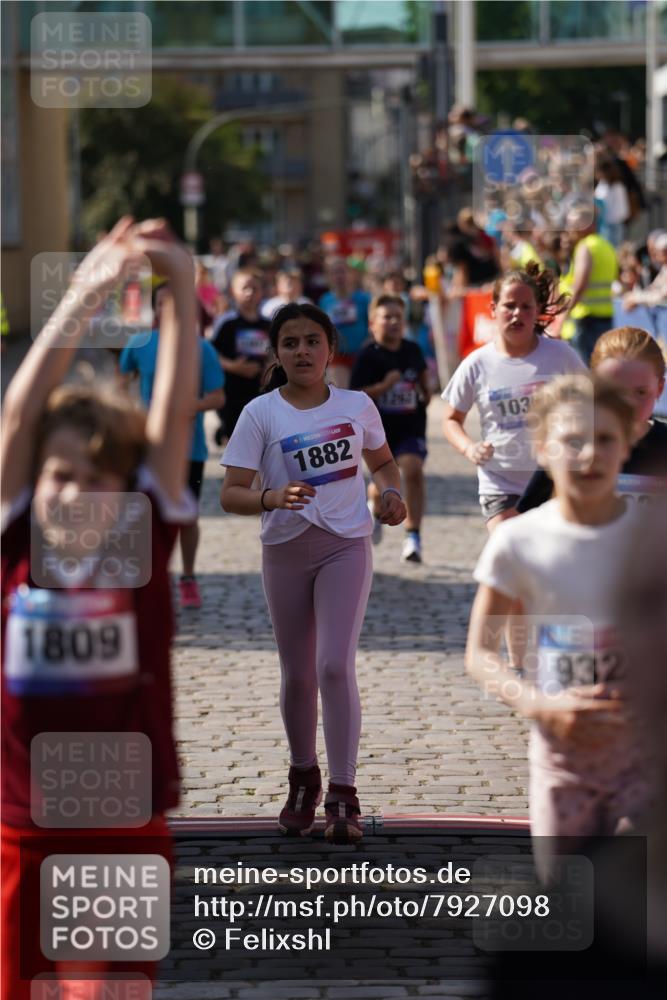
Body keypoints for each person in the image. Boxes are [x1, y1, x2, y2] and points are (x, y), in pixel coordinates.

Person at [1, 218, 198, 996]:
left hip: (120, 822)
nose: (72, 491)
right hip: (20, 822)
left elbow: (174, 413)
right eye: (58, 476)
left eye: (93, 478)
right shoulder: (16, 543)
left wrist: (177, 286)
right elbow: (21, 412)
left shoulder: (137, 545)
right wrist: (86, 292)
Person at [220, 303, 406, 843]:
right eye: (290, 343)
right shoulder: (261, 413)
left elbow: (384, 464)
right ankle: (303, 775)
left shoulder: (356, 405)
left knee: (332, 665)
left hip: (345, 546)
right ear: (277, 353)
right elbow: (230, 493)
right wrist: (272, 496)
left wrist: (391, 492)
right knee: (298, 673)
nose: (302, 351)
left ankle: (343, 794)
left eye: (312, 341)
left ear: (330, 348)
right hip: (284, 551)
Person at [466, 373, 655, 884]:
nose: (589, 454)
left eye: (605, 439)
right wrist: (537, 703)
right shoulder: (518, 541)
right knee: (571, 918)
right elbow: (479, 653)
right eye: (573, 440)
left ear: (630, 442)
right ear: (543, 448)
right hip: (562, 761)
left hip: (646, 762)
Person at [442, 263, 584, 531]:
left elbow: (592, 406)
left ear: (538, 311)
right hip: (500, 482)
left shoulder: (562, 356)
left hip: (555, 478)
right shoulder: (477, 363)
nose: (517, 313)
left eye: (526, 306)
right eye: (509, 306)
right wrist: (469, 448)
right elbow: (451, 419)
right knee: (509, 556)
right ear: (493, 310)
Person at [120, 281, 225, 608]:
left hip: (187, 449)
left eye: (177, 302)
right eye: (163, 303)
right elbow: (120, 384)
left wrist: (185, 407)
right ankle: (150, 579)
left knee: (187, 518)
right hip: (147, 447)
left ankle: (189, 577)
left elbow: (218, 397)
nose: (170, 309)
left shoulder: (202, 348)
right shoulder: (139, 343)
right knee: (143, 516)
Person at [517, 326, 667, 511]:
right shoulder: (570, 443)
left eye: (641, 392)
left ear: (659, 388)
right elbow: (527, 516)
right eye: (616, 392)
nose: (628, 404)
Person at [350, 294, 431, 563]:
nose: (394, 322)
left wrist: (424, 391)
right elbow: (355, 395)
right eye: (387, 317)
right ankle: (375, 507)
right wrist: (384, 386)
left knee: (412, 471)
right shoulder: (367, 356)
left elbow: (423, 379)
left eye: (398, 317)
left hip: (410, 427)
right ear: (373, 322)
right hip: (378, 432)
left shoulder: (412, 350)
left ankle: (413, 537)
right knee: (381, 485)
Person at [211, 269, 271, 445]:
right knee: (236, 442)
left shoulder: (268, 324)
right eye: (244, 288)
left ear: (262, 292)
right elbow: (211, 354)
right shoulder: (226, 322)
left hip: (260, 391)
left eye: (255, 288)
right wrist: (233, 366)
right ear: (233, 291)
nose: (249, 293)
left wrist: (270, 367)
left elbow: (274, 354)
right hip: (232, 392)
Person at [555, 208, 618, 364]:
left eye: (572, 225)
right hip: (606, 317)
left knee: (585, 370)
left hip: (587, 320)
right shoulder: (606, 246)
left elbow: (579, 286)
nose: (569, 229)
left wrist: (563, 316)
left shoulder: (585, 247)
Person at [319, 257, 371, 388]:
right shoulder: (325, 300)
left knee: (360, 395)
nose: (339, 276)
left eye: (343, 271)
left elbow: (372, 325)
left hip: (361, 354)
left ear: (351, 275)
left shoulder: (364, 298)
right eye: (335, 272)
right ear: (330, 277)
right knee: (341, 396)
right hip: (338, 356)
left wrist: (368, 344)